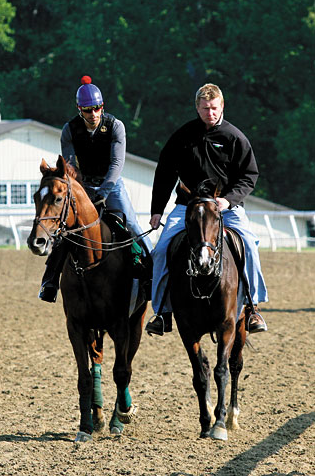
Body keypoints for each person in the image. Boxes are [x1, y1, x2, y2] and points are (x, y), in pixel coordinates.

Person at [145, 83, 268, 336]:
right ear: (197, 108)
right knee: (160, 251)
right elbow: (165, 173)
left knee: (249, 244)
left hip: (226, 208)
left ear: (221, 106)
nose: (209, 113)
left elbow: (249, 176)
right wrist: (157, 210)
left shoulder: (235, 138)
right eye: (204, 109)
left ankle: (253, 308)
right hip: (187, 208)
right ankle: (163, 313)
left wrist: (228, 200)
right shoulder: (182, 136)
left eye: (213, 108)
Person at [38, 75, 153, 302]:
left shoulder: (115, 126)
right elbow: (71, 167)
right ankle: (49, 281)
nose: (93, 114)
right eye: (88, 110)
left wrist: (104, 192)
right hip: (83, 185)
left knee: (130, 222)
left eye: (97, 109)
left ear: (103, 106)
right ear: (79, 109)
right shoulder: (69, 129)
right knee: (65, 229)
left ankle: (152, 271)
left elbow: (117, 163)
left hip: (112, 184)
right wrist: (86, 192)